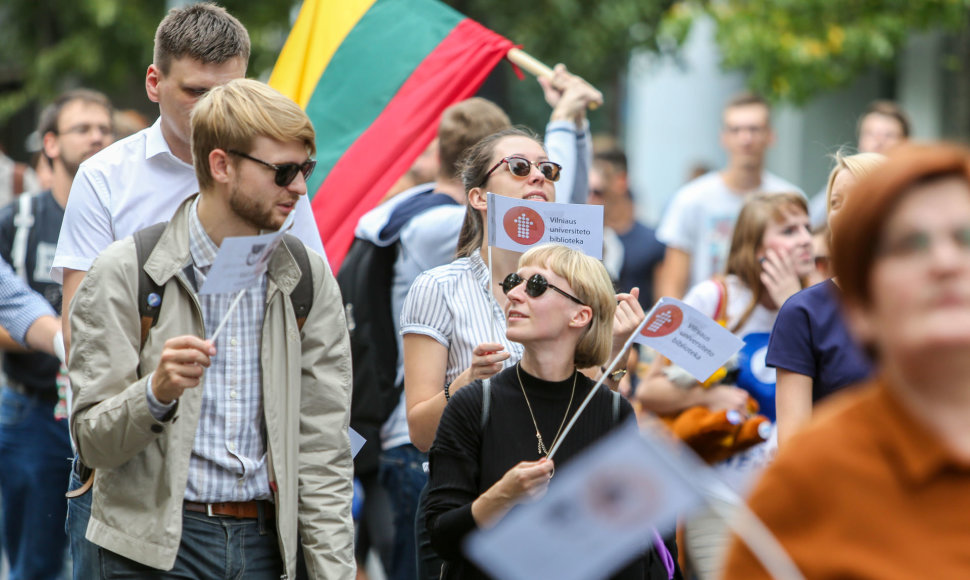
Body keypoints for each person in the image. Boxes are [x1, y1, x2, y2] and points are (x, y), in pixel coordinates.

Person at [67, 79, 354, 578]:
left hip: (267, 545)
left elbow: (324, 453)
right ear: (221, 165)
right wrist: (155, 391)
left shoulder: (305, 277)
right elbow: (91, 442)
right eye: (283, 171)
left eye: (306, 169)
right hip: (153, 551)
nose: (300, 188)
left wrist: (333, 571)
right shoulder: (127, 270)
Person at [401, 127, 645, 579]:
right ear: (478, 197)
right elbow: (419, 431)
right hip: (468, 497)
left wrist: (612, 357)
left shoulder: (576, 290)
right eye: (519, 167)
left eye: (548, 170)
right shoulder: (439, 287)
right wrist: (469, 382)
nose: (538, 178)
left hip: (558, 504)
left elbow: (586, 413)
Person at [722, 142, 970, 579]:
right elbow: (794, 442)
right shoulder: (815, 469)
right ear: (864, 312)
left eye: (962, 238)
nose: (945, 263)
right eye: (836, 202)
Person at [52, 3, 325, 350]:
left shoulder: (272, 173)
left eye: (228, 94)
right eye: (196, 92)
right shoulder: (104, 176)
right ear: (154, 83)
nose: (213, 108)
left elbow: (314, 307)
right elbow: (81, 329)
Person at [425, 244, 676, 579]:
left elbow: (624, 545)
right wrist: (502, 496)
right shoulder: (474, 403)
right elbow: (441, 537)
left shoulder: (612, 411)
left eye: (536, 286)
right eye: (514, 281)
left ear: (580, 315)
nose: (513, 294)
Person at [637, 192, 814, 580]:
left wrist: (794, 308)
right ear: (754, 247)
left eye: (806, 227)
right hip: (718, 495)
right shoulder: (714, 296)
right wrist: (708, 394)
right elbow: (649, 391)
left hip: (792, 498)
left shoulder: (818, 303)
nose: (805, 238)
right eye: (789, 230)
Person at [0, 88, 113, 580]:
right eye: (82, 129)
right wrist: (67, 340)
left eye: (104, 129)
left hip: (108, 416)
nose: (96, 138)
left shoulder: (123, 220)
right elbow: (12, 306)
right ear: (50, 143)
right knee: (37, 563)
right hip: (35, 414)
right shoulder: (19, 220)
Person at [768, 152, 885, 446]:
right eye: (835, 203)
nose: (842, 212)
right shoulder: (803, 312)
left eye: (858, 197)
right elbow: (794, 447)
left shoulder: (933, 301)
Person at [655, 93, 803, 299]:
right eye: (735, 130)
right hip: (704, 324)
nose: (745, 139)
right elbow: (672, 283)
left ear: (771, 135)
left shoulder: (789, 199)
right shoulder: (690, 199)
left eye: (754, 129)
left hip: (773, 324)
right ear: (723, 137)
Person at [808, 100, 910, 226]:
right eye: (870, 134)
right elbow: (811, 222)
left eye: (888, 135)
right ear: (859, 142)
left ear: (906, 143)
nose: (879, 141)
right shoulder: (843, 181)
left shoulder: (915, 190)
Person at [588, 148, 665, 309]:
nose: (589, 199)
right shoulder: (574, 237)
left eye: (597, 191)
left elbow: (662, 303)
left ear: (621, 181)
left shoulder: (652, 241)